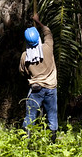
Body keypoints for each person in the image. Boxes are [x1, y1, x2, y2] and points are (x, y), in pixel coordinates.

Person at [21, 13, 58, 142]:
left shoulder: (25, 56)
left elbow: (23, 71)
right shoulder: (47, 48)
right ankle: (52, 141)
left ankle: (27, 142)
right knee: (52, 116)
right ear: (38, 38)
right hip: (51, 88)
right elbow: (48, 32)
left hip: (36, 89)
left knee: (30, 116)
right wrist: (38, 21)